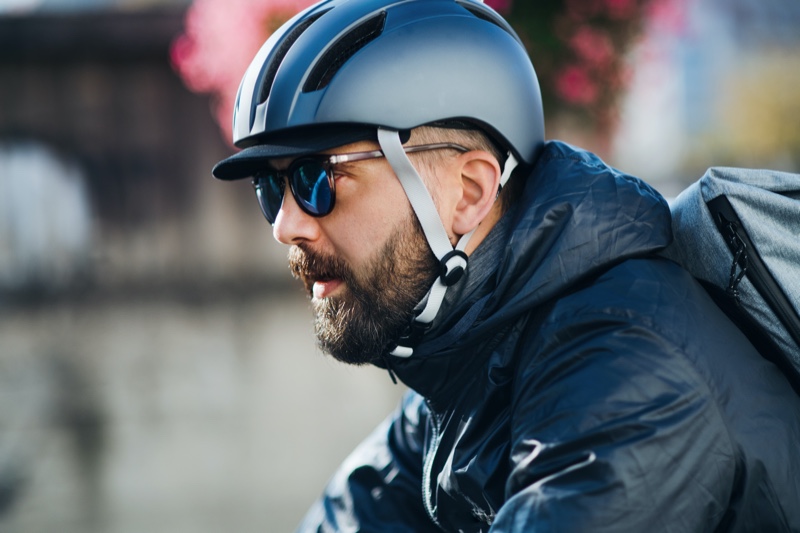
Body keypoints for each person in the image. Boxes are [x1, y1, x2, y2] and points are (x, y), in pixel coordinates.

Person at [211, 0, 800, 530]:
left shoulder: (629, 369)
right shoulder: (464, 362)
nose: (285, 224)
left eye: (317, 179)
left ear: (469, 193)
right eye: (271, 187)